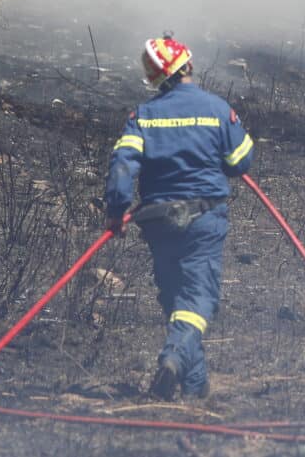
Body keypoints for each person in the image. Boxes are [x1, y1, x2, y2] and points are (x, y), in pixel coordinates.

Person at [103, 35, 254, 400]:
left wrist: (117, 210)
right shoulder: (218, 109)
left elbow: (123, 165)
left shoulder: (143, 116)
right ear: (187, 65)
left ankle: (195, 387)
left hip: (157, 220)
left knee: (175, 300)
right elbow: (240, 163)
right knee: (198, 299)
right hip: (204, 218)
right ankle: (172, 357)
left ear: (154, 77)